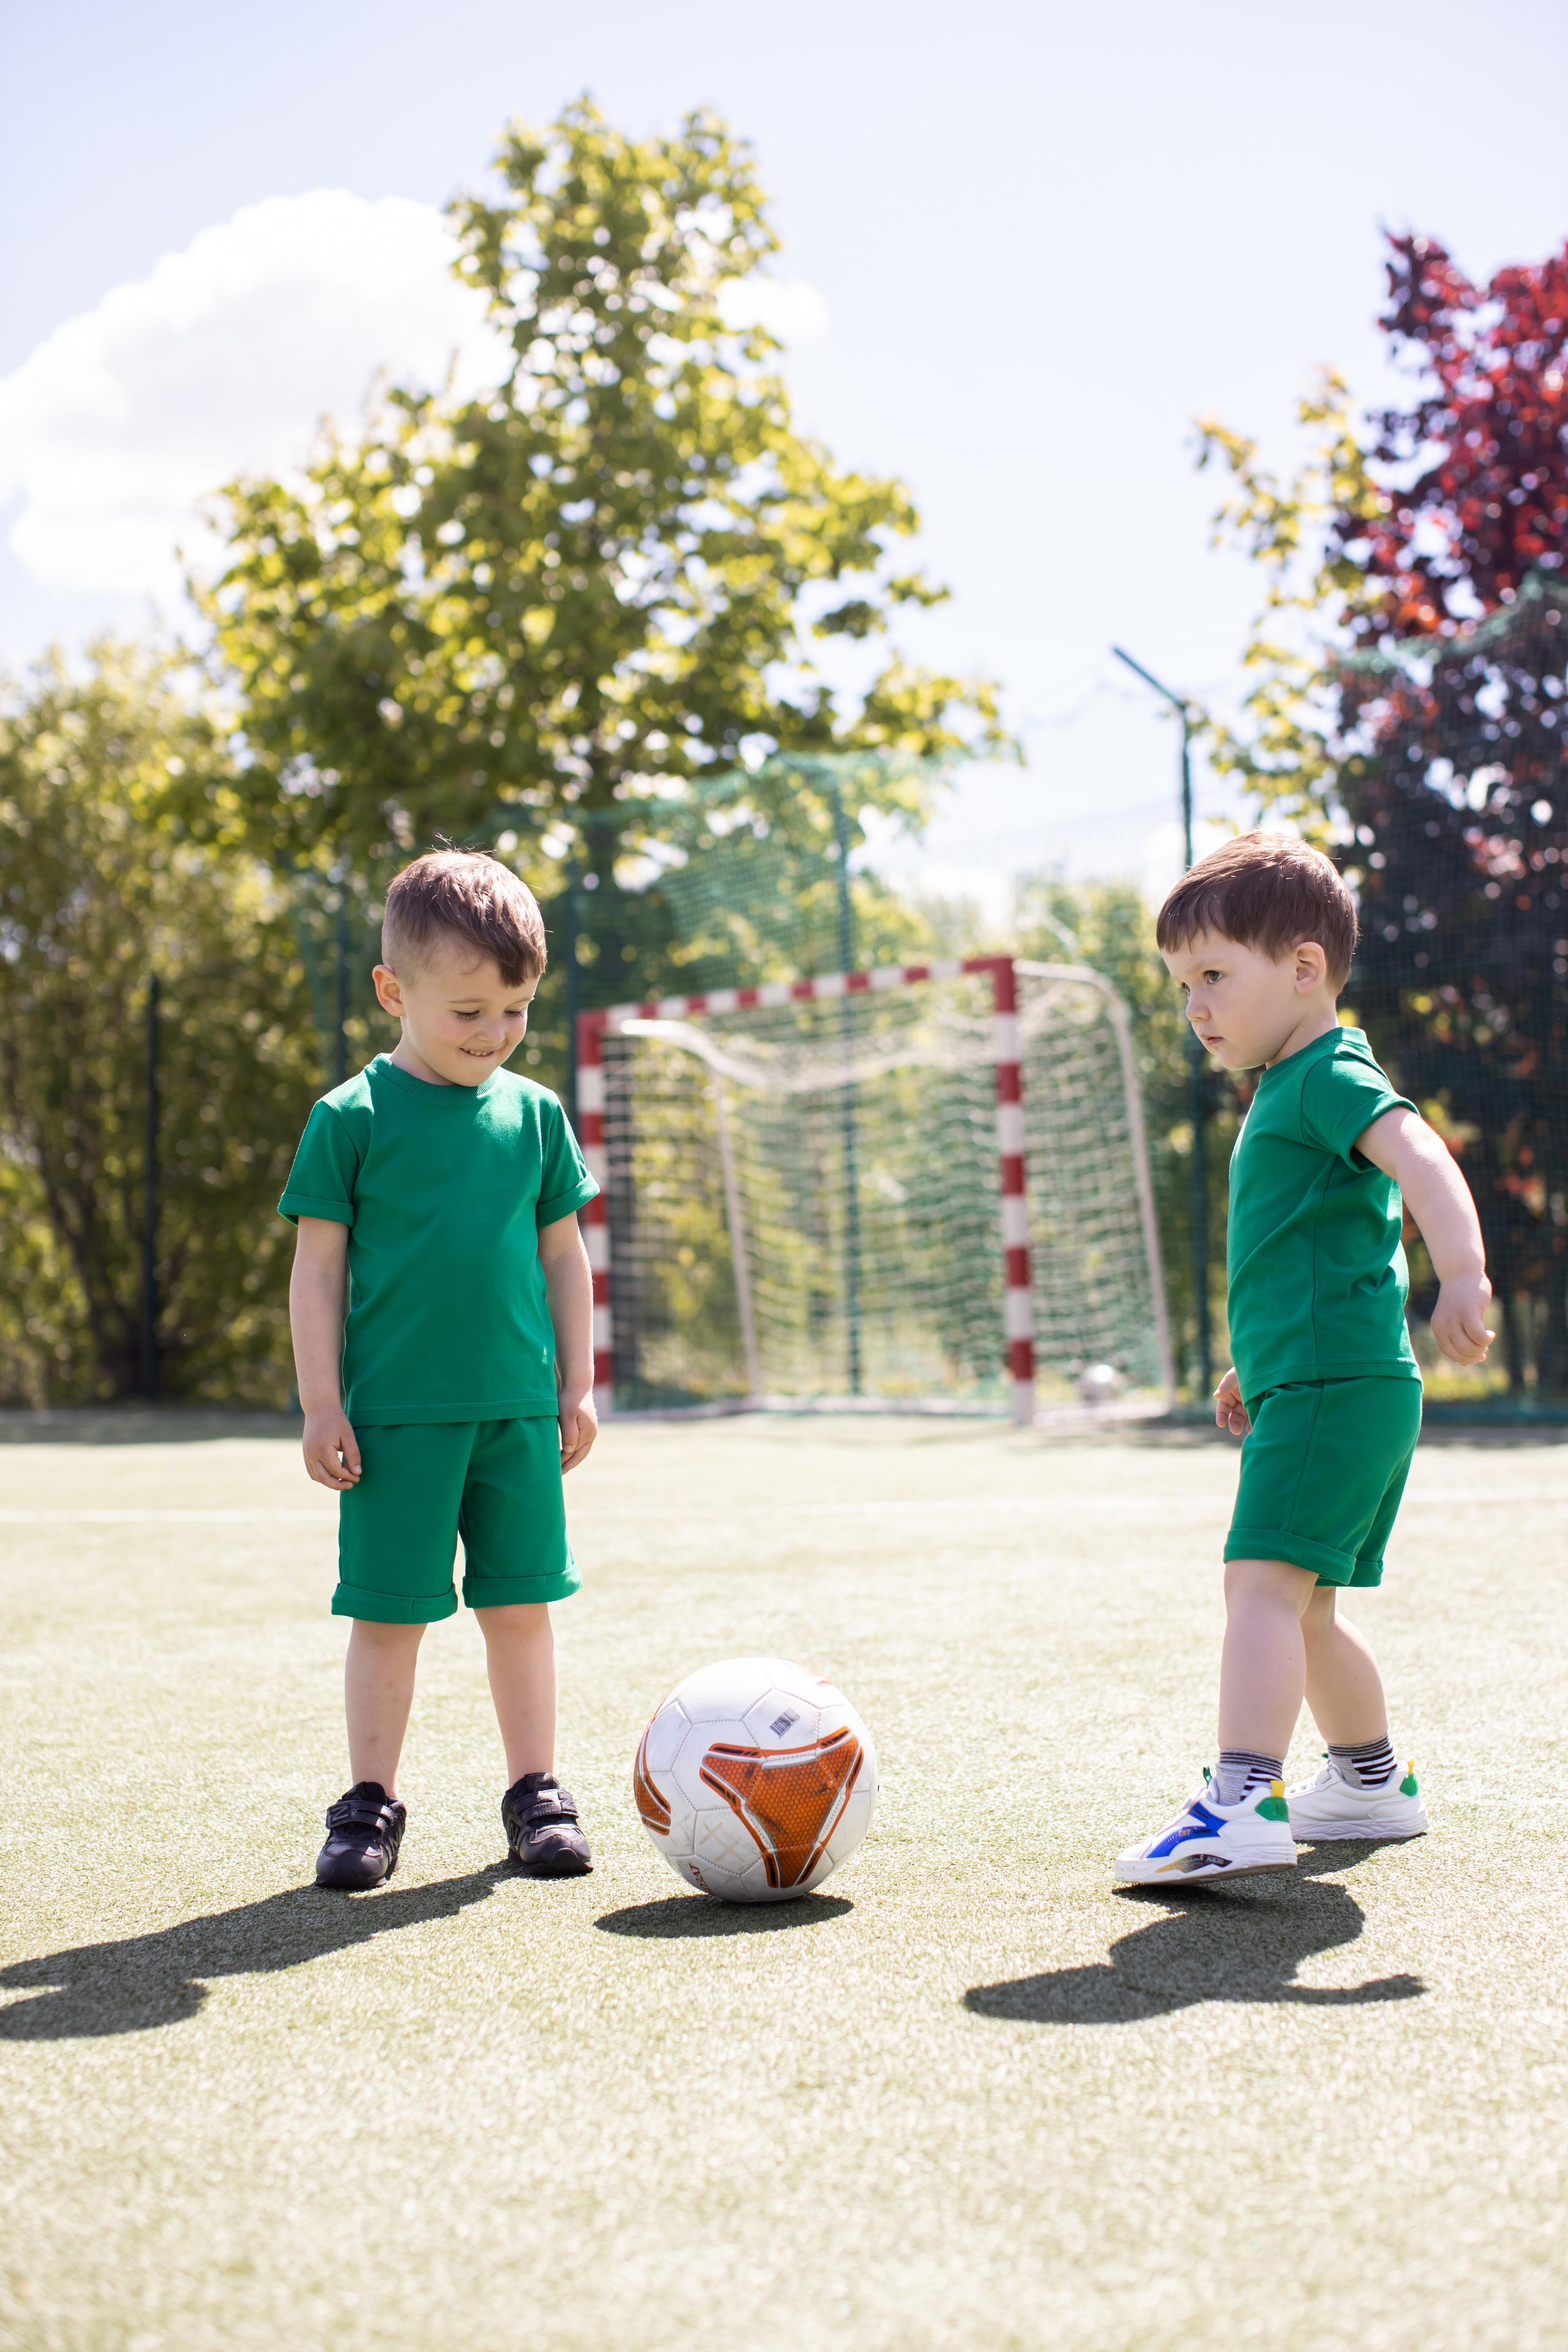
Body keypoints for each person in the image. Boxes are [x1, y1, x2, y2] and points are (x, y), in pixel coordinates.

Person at [1116, 832, 1493, 1884]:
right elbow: (1303, 1257)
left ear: (1302, 969)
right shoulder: (1287, 1083)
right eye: (1183, 983)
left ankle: (1239, 1802)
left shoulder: (1326, 1069)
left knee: (1259, 1591)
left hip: (1339, 1388)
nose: (1195, 1006)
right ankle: (1370, 1786)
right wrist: (1261, 1365)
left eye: (1213, 976)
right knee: (1306, 1599)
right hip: (1332, 1384)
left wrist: (1459, 1272)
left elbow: (1419, 1150)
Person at [279, 848, 600, 1892]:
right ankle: (369, 1802)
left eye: (514, 1009)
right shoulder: (349, 1120)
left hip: (516, 1415)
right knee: (390, 1616)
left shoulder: (537, 1116)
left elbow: (564, 1255)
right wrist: (322, 1400)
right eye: (468, 1010)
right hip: (396, 1425)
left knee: (520, 1609)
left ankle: (537, 1793)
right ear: (392, 991)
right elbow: (317, 1271)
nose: (494, 1032)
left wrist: (577, 1384)